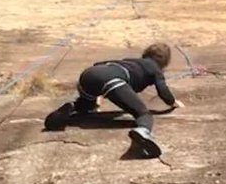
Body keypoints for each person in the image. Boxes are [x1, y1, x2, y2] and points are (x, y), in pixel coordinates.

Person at [44, 42, 183, 157]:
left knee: (87, 105)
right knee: (143, 114)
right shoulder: (155, 69)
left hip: (88, 76)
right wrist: (172, 103)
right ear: (164, 61)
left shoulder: (129, 60)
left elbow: (98, 64)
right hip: (112, 80)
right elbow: (163, 90)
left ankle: (70, 107)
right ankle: (142, 132)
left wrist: (98, 94)